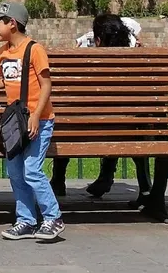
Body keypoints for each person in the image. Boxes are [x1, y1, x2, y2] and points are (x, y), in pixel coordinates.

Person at [0, 1, 62, 242]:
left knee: (32, 170)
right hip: (15, 122)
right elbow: (11, 79)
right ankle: (26, 220)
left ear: (12, 23)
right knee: (15, 172)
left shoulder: (35, 50)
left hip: (37, 120)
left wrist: (36, 115)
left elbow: (46, 85)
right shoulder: (3, 53)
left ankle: (53, 217)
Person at [54, 15, 149, 201]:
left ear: (97, 40)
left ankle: (58, 179)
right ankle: (125, 181)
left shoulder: (84, 65)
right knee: (121, 122)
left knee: (66, 119)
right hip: (124, 130)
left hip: (77, 129)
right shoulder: (136, 64)